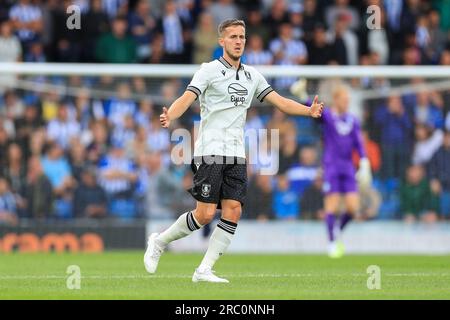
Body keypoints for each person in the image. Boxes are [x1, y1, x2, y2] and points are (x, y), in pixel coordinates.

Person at [144, 19, 323, 283]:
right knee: (204, 215)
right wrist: (170, 115)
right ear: (222, 42)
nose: (238, 41)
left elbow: (281, 102)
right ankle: (159, 242)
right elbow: (187, 97)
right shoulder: (208, 71)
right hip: (210, 150)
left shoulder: (252, 75)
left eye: (242, 36)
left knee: (234, 210)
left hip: (237, 153)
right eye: (233, 37)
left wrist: (307, 110)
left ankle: (204, 269)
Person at [319, 85, 372, 258]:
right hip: (331, 165)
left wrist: (364, 161)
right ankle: (332, 242)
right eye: (344, 100)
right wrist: (304, 96)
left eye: (348, 100)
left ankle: (337, 230)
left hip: (348, 167)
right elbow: (314, 113)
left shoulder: (352, 120)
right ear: (336, 100)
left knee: (353, 207)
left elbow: (358, 142)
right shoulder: (328, 116)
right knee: (332, 205)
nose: (346, 103)